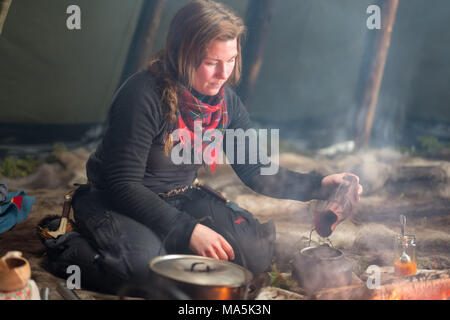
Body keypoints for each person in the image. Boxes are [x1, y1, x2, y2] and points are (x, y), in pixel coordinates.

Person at [57, 0, 363, 295]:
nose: (223, 73)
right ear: (182, 55)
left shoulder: (224, 102)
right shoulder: (142, 96)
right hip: (117, 201)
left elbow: (256, 170)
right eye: (211, 63)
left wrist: (319, 184)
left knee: (253, 252)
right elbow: (122, 184)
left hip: (180, 198)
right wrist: (188, 230)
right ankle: (68, 245)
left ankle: (164, 244)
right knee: (145, 273)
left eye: (230, 61)